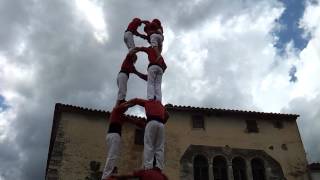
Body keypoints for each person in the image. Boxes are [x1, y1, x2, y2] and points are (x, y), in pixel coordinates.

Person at [101, 102, 146, 180]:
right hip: (114, 135)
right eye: (125, 108)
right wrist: (135, 101)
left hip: (113, 135)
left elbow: (133, 121)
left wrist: (140, 123)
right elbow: (126, 105)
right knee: (112, 156)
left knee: (113, 156)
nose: (126, 109)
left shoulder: (121, 116)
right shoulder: (116, 110)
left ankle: (108, 174)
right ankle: (105, 177)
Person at [126, 98, 169, 171]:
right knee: (160, 147)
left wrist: (126, 104)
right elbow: (167, 115)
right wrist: (162, 121)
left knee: (149, 146)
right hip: (161, 125)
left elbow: (136, 100)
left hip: (152, 122)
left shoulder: (148, 102)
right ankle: (159, 167)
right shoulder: (161, 105)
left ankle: (148, 167)